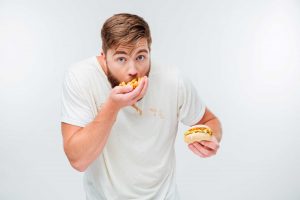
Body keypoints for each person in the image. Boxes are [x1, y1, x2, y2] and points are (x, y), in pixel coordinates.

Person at [61, 13, 222, 200]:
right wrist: (112, 107)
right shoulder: (80, 78)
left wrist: (211, 138)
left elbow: (210, 122)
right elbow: (78, 161)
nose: (133, 70)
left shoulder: (173, 80)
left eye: (141, 57)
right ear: (104, 57)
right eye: (121, 59)